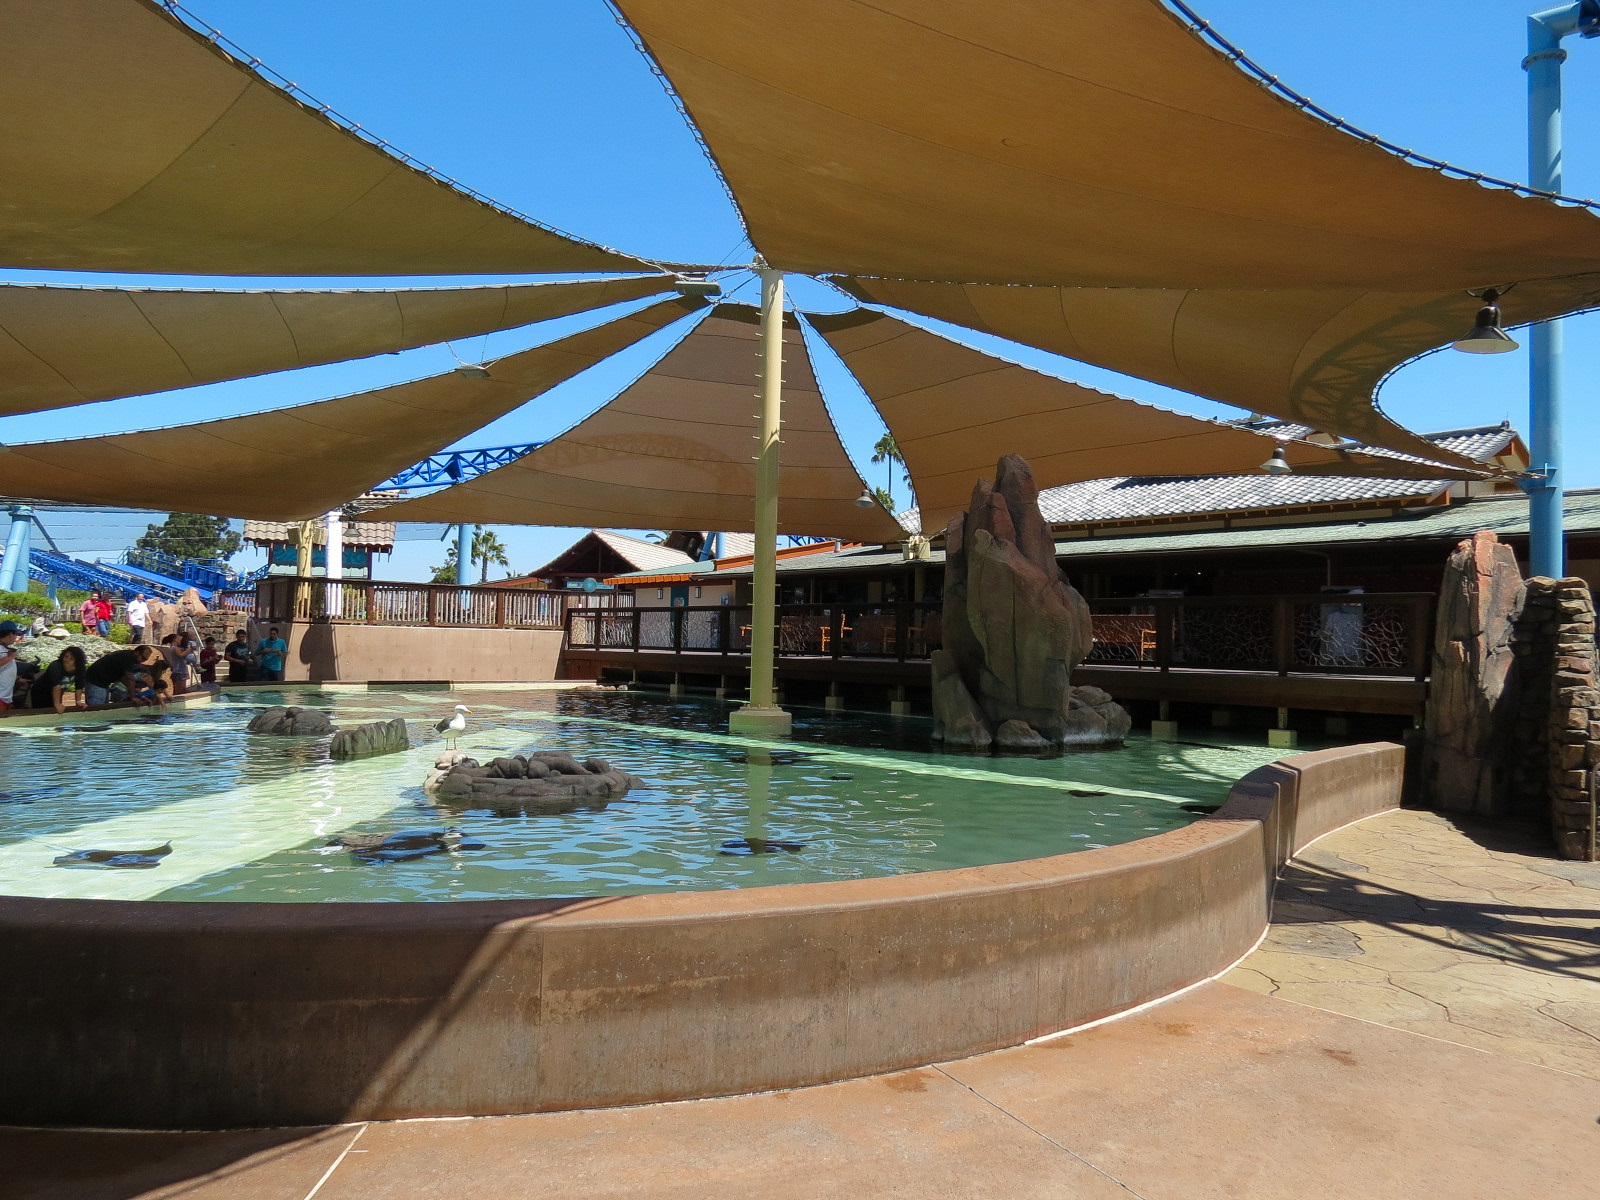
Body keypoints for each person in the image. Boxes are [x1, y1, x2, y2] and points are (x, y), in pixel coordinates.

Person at [83, 644, 162, 707]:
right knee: (97, 708)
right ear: (137, 652)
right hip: (95, 681)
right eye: (143, 658)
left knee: (104, 707)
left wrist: (132, 691)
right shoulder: (128, 658)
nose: (142, 661)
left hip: (103, 682)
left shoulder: (129, 657)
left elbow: (122, 677)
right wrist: (133, 697)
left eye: (145, 660)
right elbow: (130, 679)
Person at [29, 645, 88, 714]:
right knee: (43, 711)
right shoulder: (55, 666)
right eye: (66, 656)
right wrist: (57, 704)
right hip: (40, 691)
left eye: (71, 659)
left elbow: (79, 686)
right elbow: (56, 686)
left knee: (57, 710)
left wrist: (78, 702)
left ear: (77, 662)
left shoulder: (81, 669)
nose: (67, 660)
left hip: (58, 692)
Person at [0, 620, 21, 711]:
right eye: (15, 634)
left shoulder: (5, 649)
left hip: (5, 696)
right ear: (10, 635)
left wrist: (18, 679)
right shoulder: (3, 650)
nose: (16, 637)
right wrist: (10, 657)